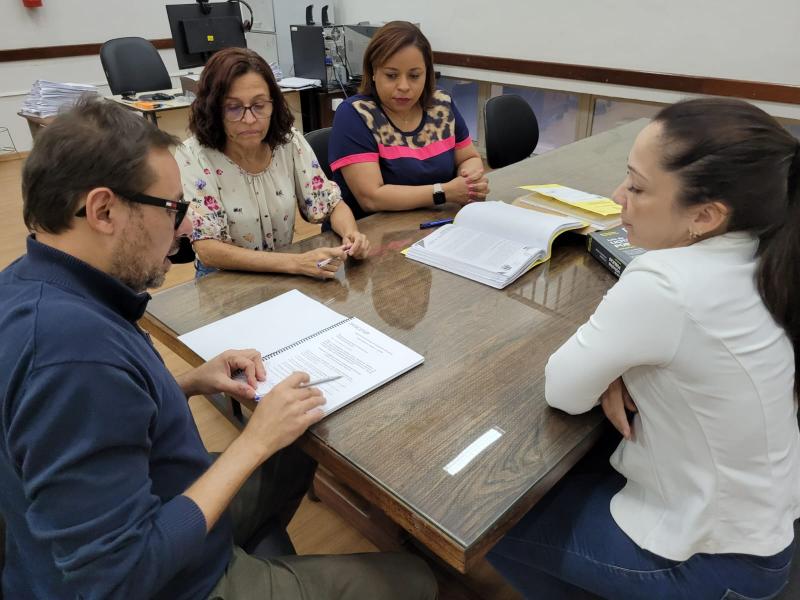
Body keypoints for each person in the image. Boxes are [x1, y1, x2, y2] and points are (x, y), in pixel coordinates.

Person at [0, 97, 437, 600]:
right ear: (103, 210)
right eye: (173, 209)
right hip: (168, 578)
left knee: (297, 443)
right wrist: (253, 443)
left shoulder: (37, 284)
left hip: (163, 496)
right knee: (415, 581)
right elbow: (117, 579)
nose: (186, 228)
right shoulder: (70, 357)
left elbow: (103, 416)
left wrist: (187, 382)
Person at [488, 98, 800, 599]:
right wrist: (624, 367)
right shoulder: (770, 251)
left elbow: (564, 390)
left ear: (705, 215)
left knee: (493, 521)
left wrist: (618, 367)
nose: (616, 197)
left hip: (710, 565)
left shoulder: (666, 282)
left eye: (636, 187)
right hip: (763, 535)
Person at [177, 47, 369, 279]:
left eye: (259, 106)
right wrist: (296, 263)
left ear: (273, 104)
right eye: (233, 107)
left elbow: (332, 204)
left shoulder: (287, 142)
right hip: (224, 281)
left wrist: (352, 234)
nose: (250, 119)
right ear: (213, 108)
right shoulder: (193, 155)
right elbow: (208, 250)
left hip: (282, 272)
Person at [328, 21, 489, 220]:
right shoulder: (355, 114)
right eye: (391, 75)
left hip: (436, 224)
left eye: (414, 76)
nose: (403, 86)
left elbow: (469, 158)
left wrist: (469, 180)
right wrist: (444, 192)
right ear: (373, 73)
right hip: (370, 235)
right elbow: (371, 198)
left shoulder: (441, 104)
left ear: (427, 74)